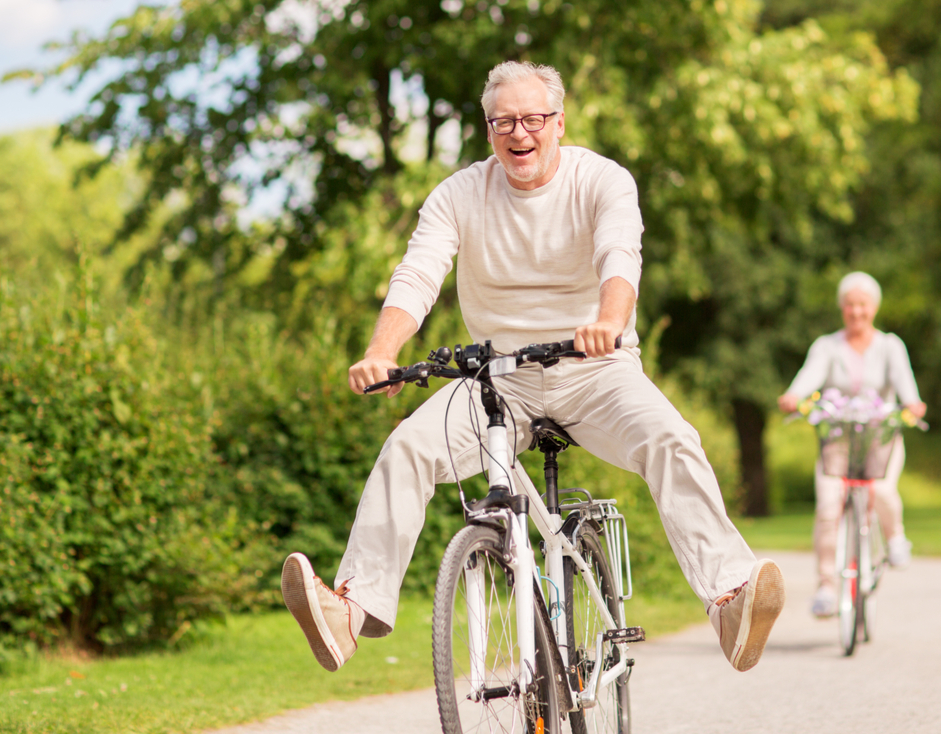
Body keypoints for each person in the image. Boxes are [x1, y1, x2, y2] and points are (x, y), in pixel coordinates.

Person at [280, 61, 785, 674]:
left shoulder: (601, 180)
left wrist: (608, 320)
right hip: (498, 379)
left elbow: (620, 255)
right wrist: (381, 351)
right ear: (488, 129)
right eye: (503, 122)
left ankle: (730, 600)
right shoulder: (459, 193)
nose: (519, 133)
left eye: (533, 119)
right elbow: (418, 274)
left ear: (558, 123)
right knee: (407, 448)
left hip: (595, 368)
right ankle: (350, 612)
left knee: (671, 438)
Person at [776, 271, 926, 619]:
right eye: (849, 305)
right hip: (838, 440)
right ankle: (826, 587)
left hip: (880, 438)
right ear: (842, 308)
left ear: (873, 308)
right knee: (828, 507)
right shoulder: (827, 346)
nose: (856, 312)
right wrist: (794, 396)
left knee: (883, 490)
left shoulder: (891, 346)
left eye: (863, 305)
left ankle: (895, 538)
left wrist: (913, 404)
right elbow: (808, 378)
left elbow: (907, 388)